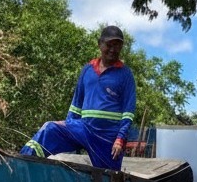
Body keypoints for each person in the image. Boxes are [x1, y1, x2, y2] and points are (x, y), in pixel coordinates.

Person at [20, 25, 136, 171]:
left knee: (110, 178)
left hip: (107, 137)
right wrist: (69, 127)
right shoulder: (87, 70)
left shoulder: (125, 75)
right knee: (50, 128)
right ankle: (22, 162)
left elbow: (128, 112)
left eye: (117, 45)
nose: (113, 49)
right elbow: (76, 105)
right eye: (109, 45)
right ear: (100, 44)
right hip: (84, 128)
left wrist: (120, 139)